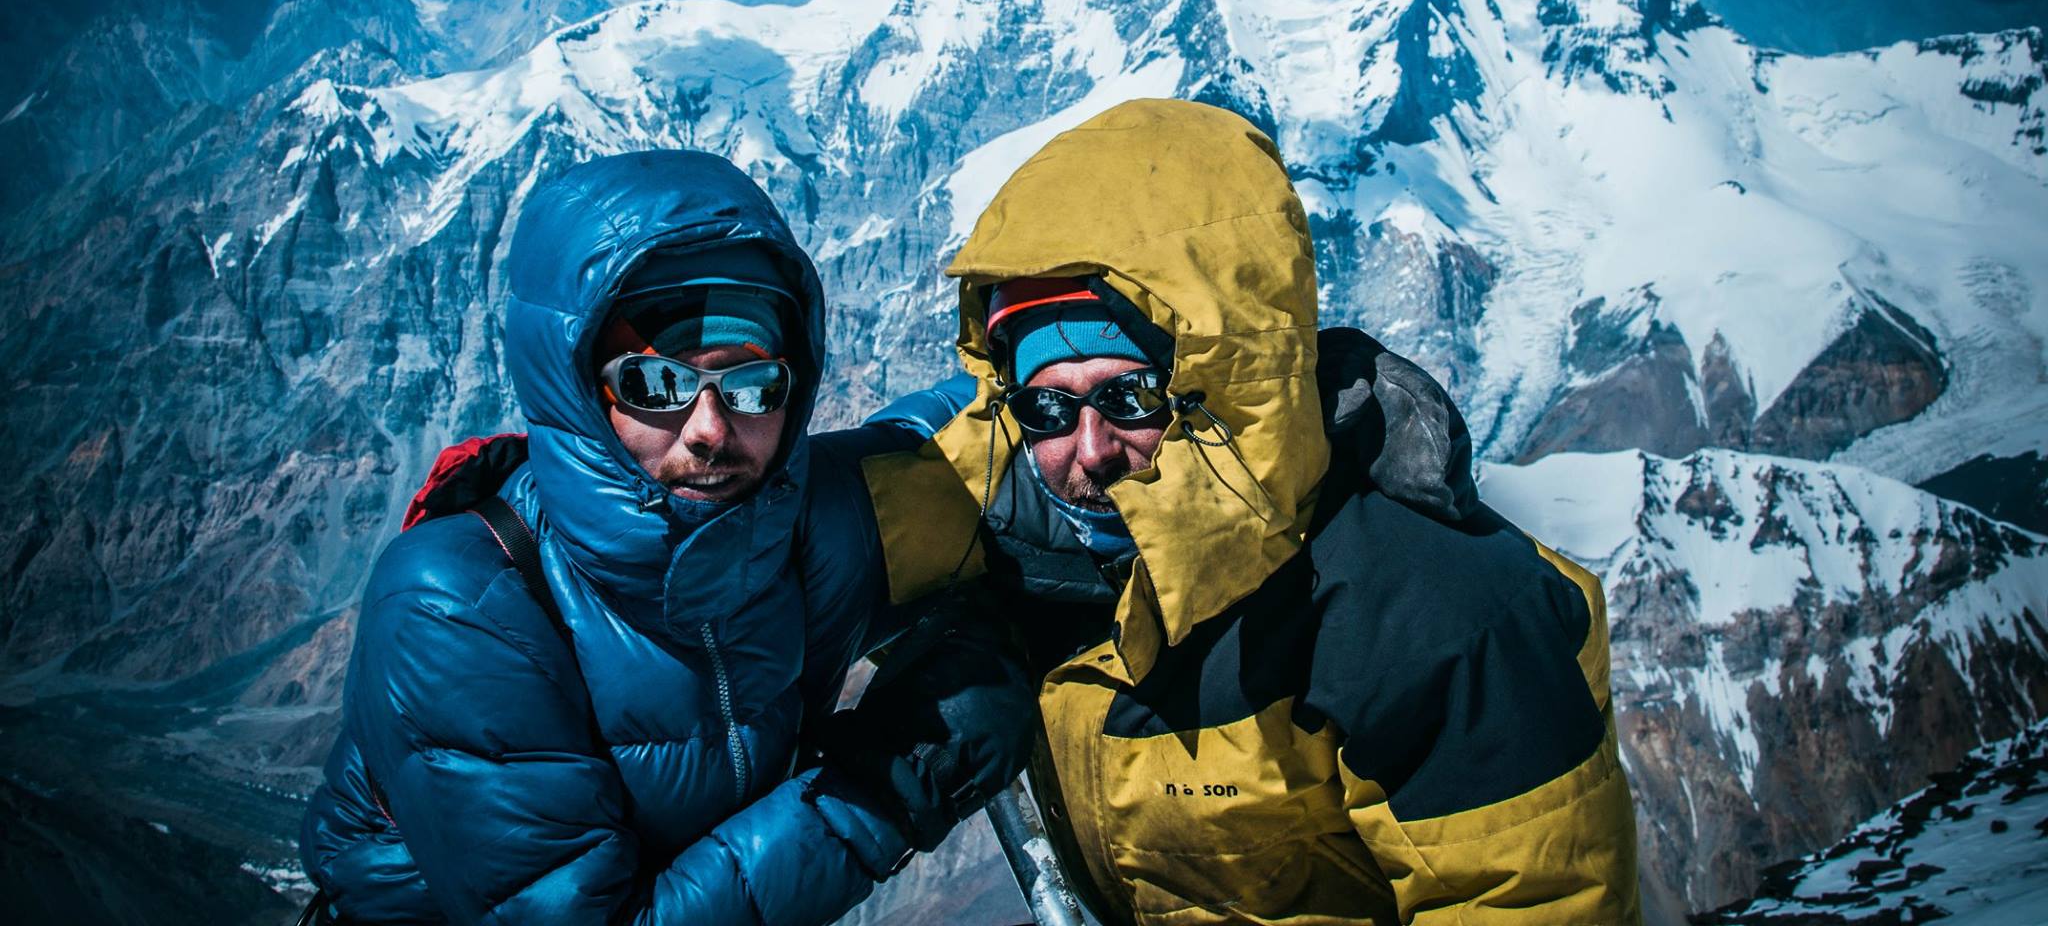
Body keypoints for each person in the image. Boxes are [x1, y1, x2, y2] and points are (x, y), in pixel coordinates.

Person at [858, 99, 1643, 925]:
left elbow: (1534, 902)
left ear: (1223, 386)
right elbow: (805, 529)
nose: (1087, 449)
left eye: (1130, 397)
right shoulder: (1029, 545)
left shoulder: (1435, 616)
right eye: (1047, 409)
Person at [301, 150, 1031, 925]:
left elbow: (970, 440)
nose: (712, 431)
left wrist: (1095, 374)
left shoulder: (802, 519)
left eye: (754, 384)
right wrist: (890, 782)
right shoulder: (458, 609)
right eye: (657, 386)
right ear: (579, 388)